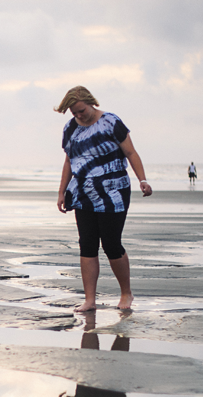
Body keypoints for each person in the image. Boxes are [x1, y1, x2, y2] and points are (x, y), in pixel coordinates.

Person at [56, 85, 152, 312]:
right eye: (74, 113)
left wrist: (143, 180)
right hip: (82, 193)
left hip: (113, 192)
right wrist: (61, 192)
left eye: (81, 110)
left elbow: (130, 153)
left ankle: (126, 293)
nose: (79, 116)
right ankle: (90, 300)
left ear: (91, 102)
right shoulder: (70, 128)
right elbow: (69, 161)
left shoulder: (111, 122)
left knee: (111, 243)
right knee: (87, 245)